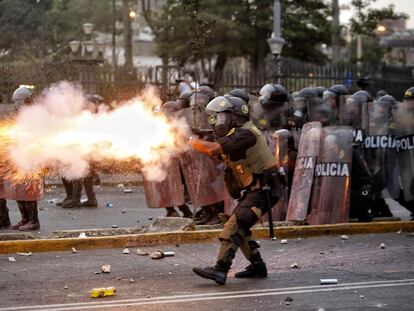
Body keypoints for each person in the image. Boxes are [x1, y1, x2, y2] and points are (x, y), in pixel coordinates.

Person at [189, 94, 282, 285]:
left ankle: (220, 270)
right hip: (258, 190)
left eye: (221, 117)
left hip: (264, 190)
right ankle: (257, 266)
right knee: (241, 227)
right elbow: (221, 154)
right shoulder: (237, 135)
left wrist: (191, 141)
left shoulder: (245, 133)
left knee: (233, 227)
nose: (217, 121)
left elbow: (213, 149)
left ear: (234, 117)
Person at [4, 86, 43, 231]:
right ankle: (25, 218)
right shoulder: (17, 115)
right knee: (20, 191)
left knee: (29, 191)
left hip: (31, 159)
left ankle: (33, 221)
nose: (17, 105)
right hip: (19, 157)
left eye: (19, 102)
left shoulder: (36, 116)